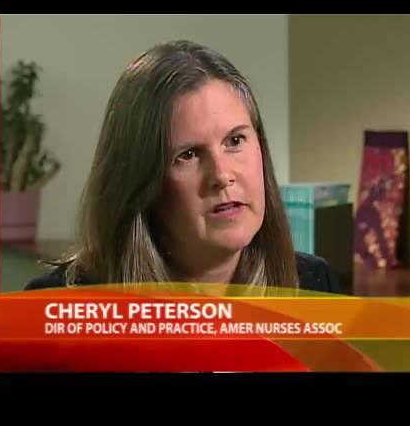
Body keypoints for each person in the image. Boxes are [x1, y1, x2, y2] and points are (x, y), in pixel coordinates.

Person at [26, 40, 340, 294]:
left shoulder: (313, 283)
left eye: (235, 141)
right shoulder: (57, 307)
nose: (221, 176)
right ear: (140, 181)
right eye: (188, 155)